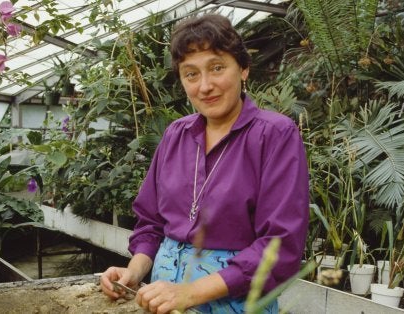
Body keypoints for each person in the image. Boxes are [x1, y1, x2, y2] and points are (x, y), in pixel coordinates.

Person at [100, 13, 309, 314]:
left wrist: (190, 293)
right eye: (191, 74)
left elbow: (280, 245)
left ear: (244, 68)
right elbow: (152, 222)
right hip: (165, 301)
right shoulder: (176, 135)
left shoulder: (275, 135)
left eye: (217, 67)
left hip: (234, 303)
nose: (205, 86)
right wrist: (133, 273)